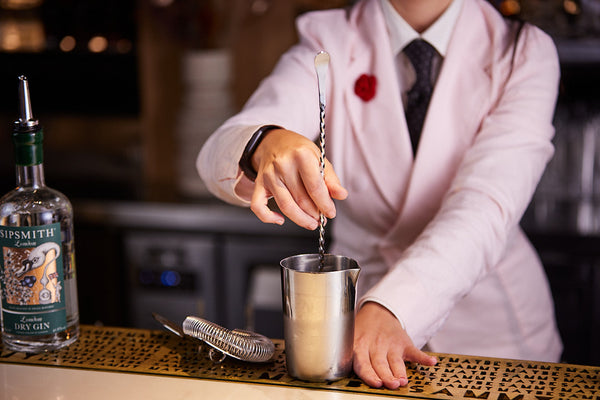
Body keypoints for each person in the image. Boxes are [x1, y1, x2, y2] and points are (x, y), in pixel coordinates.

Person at [197, 0, 563, 390]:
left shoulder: (523, 51)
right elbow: (219, 149)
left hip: (492, 332)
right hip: (360, 332)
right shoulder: (330, 38)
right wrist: (264, 141)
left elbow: (487, 205)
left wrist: (393, 305)